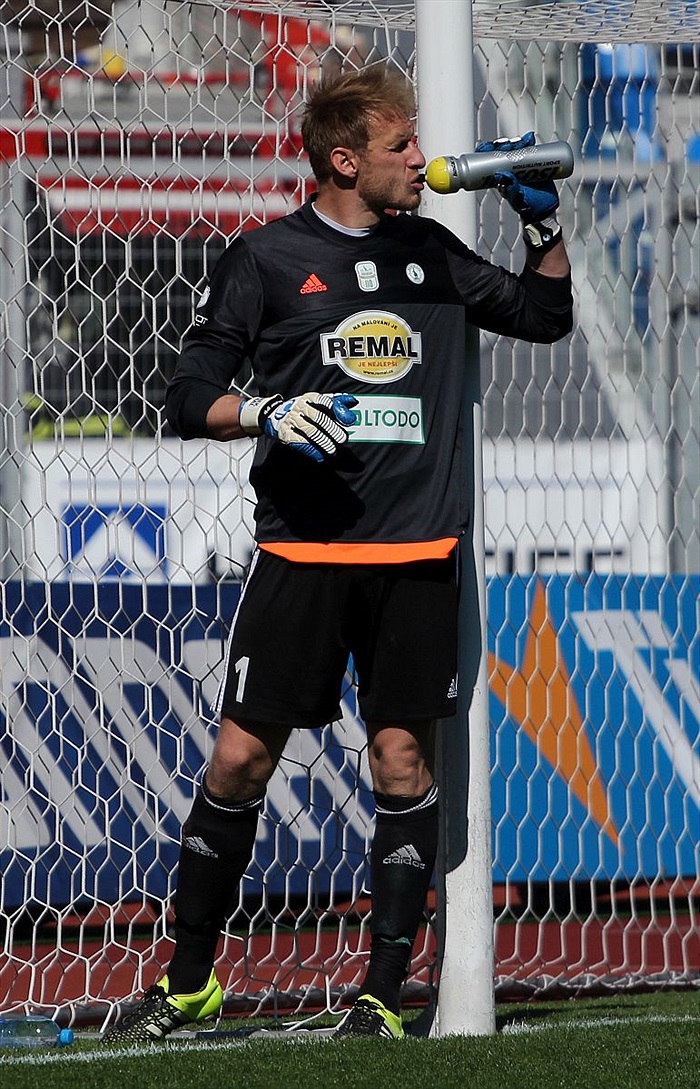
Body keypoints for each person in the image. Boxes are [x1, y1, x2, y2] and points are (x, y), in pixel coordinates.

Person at [103, 65, 572, 1044]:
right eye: (403, 145)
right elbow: (188, 396)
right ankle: (189, 981)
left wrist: (540, 229)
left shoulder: (431, 254)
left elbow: (542, 315)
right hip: (303, 556)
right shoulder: (268, 260)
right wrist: (266, 407)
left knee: (402, 762)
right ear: (344, 158)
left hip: (416, 556)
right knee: (237, 762)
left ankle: (382, 997)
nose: (422, 159)